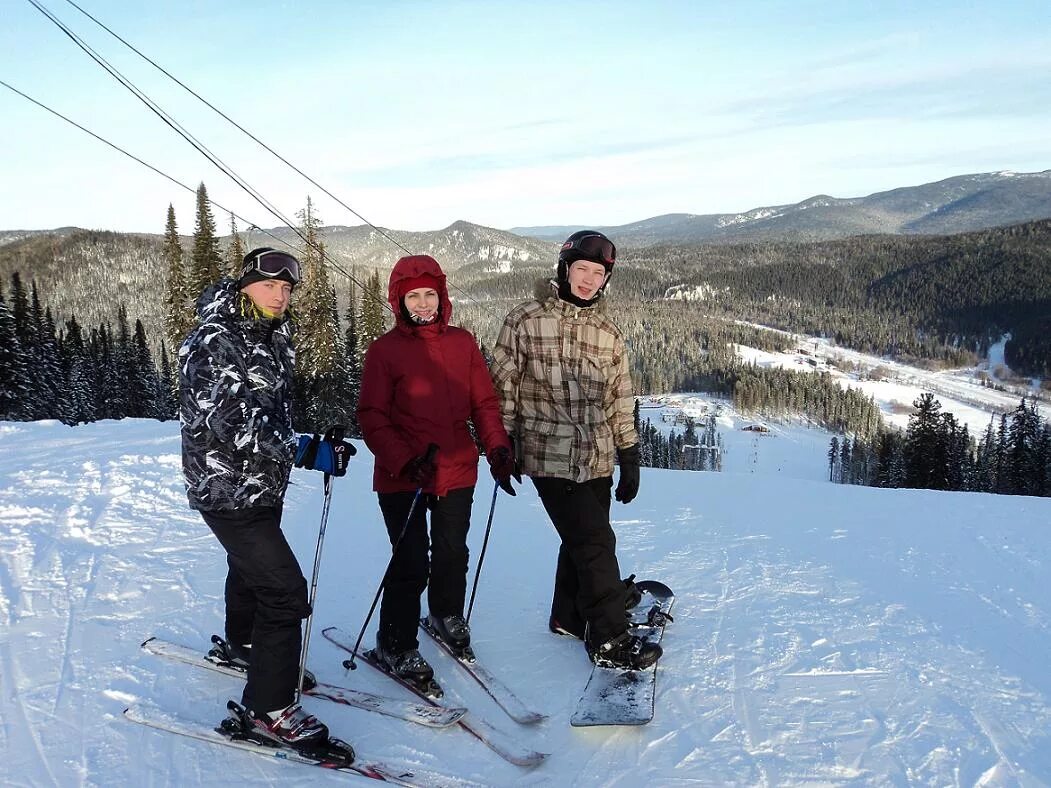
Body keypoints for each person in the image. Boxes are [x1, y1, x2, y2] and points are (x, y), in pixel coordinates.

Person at [179, 247, 348, 751]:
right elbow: (230, 422)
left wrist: (312, 441)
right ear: (244, 285)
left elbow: (270, 410)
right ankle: (269, 710)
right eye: (269, 284)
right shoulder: (213, 342)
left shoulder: (268, 335)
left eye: (287, 287)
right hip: (226, 488)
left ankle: (245, 644)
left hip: (259, 484)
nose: (280, 294)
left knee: (249, 571)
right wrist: (302, 449)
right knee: (285, 593)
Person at [489, 230, 660, 671]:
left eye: (597, 273)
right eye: (581, 269)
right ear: (564, 269)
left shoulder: (607, 333)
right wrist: (499, 445)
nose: (588, 280)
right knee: (595, 540)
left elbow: (618, 399)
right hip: (548, 452)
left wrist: (629, 456)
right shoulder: (525, 319)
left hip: (597, 455)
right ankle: (608, 636)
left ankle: (568, 615)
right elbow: (503, 384)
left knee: (583, 538)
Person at [357, 254, 516, 682]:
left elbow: (483, 402)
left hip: (457, 467)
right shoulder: (385, 351)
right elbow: (371, 415)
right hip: (403, 474)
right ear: (400, 301)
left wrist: (497, 448)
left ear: (441, 297)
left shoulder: (462, 343)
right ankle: (395, 643)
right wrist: (405, 461)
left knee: (452, 552)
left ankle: (446, 614)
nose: (424, 304)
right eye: (414, 296)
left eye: (431, 294)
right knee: (410, 562)